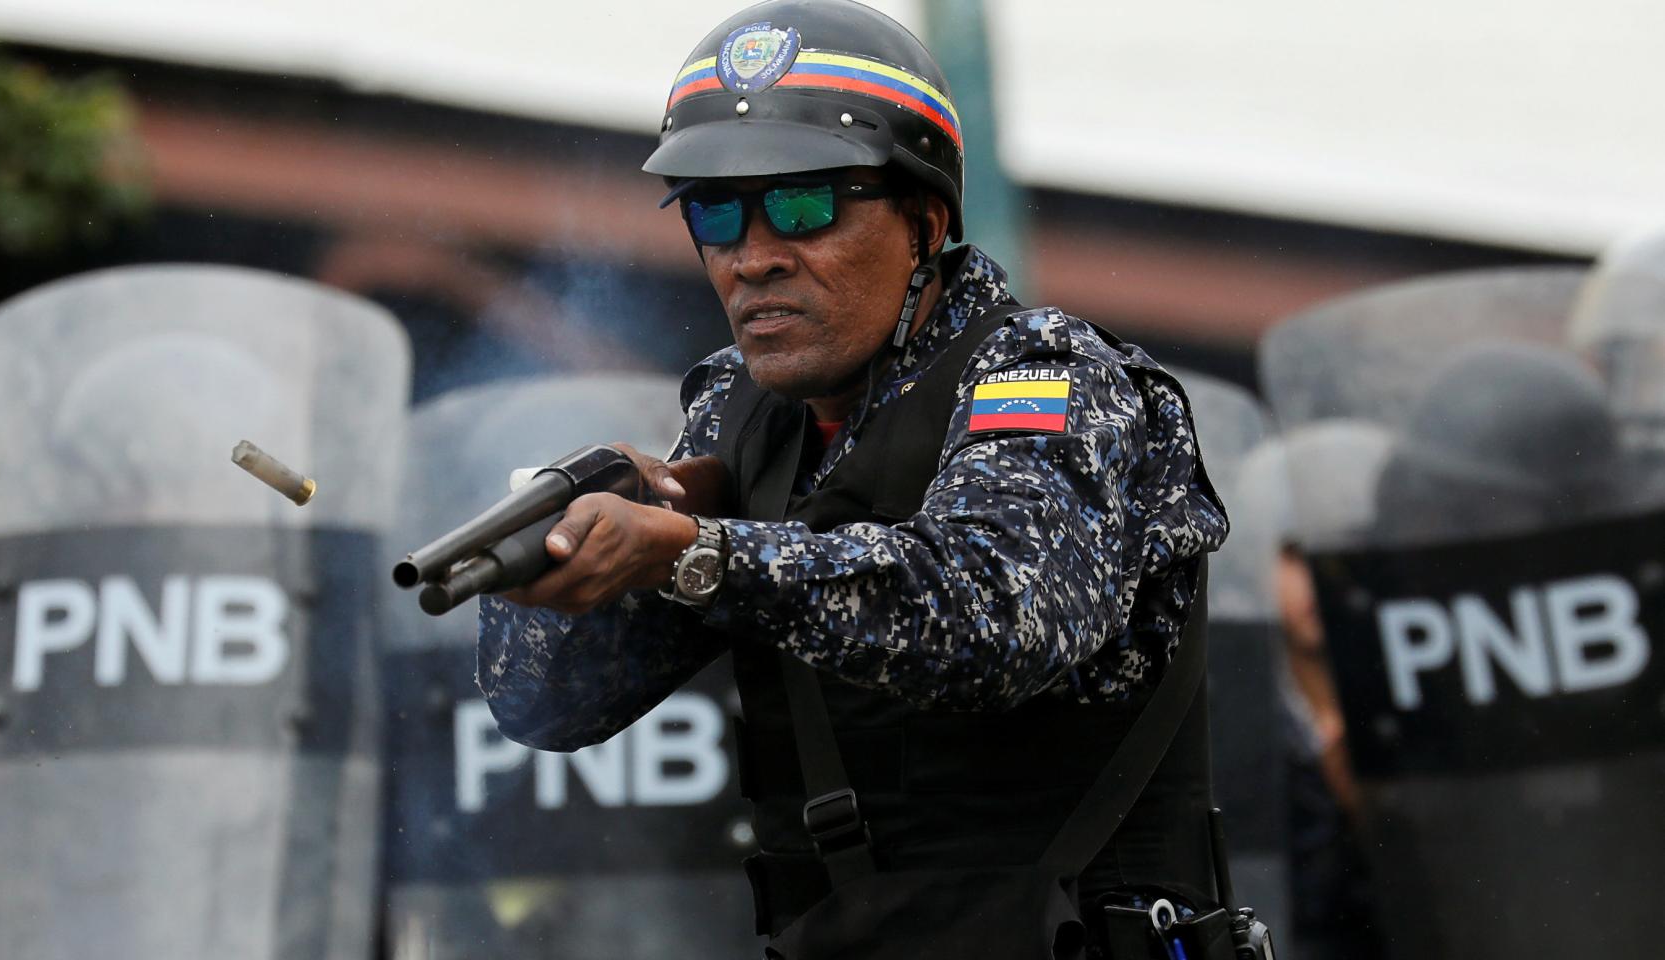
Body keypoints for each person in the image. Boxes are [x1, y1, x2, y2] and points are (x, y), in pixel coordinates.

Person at [476, 1, 1229, 954]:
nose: (753, 257)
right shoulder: (738, 412)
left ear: (924, 217)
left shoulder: (1043, 373)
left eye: (802, 205)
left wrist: (700, 552)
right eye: (714, 212)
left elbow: (997, 616)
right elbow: (547, 706)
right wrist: (551, 564)